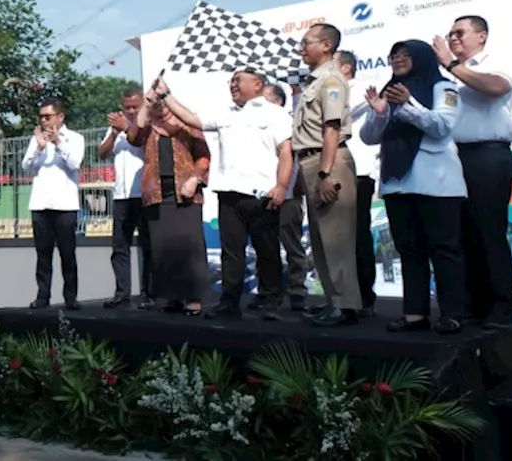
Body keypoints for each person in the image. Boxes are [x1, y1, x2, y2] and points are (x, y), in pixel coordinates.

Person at [154, 70, 293, 322]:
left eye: (239, 81)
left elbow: (285, 151)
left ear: (258, 84)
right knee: (232, 253)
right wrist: (166, 94)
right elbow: (192, 119)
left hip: (262, 193)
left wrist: (282, 185)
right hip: (229, 192)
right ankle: (229, 302)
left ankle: (271, 301)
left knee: (267, 249)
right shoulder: (225, 111)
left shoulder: (274, 112)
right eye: (232, 81)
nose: (233, 85)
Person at [358, 40, 467, 335]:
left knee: (444, 250)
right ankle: (414, 314)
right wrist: (381, 113)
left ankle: (453, 313)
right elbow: (368, 137)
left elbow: (442, 126)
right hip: (397, 184)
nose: (398, 60)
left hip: (437, 183)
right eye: (394, 55)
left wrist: (408, 105)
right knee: (409, 250)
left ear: (421, 58)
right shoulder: (388, 91)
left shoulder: (444, 88)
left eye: (405, 55)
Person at [434, 15, 512, 330]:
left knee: (488, 231)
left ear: (481, 36)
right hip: (452, 157)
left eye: (460, 32)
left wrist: (452, 66)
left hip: (487, 155)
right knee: (460, 233)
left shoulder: (496, 61)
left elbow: (495, 87)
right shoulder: (449, 75)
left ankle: (501, 306)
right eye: (450, 33)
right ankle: (472, 303)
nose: (453, 38)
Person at [292, 23, 362, 327]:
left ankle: (346, 305)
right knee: (321, 238)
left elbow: (331, 129)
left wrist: (324, 173)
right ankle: (333, 300)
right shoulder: (313, 81)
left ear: (327, 46)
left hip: (327, 160)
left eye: (307, 42)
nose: (301, 48)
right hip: (310, 161)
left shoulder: (331, 79)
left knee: (336, 237)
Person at [126, 91, 211, 316]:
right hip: (156, 194)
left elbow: (203, 156)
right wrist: (145, 103)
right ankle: (171, 297)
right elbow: (132, 137)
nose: (158, 107)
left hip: (185, 193)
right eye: (154, 104)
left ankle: (193, 298)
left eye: (160, 103)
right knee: (163, 248)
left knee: (189, 246)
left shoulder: (187, 125)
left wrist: (195, 179)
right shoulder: (148, 129)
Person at [22, 99, 85, 310]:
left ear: (60, 117)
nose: (43, 120)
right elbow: (25, 167)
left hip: (65, 205)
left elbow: (75, 163)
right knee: (43, 255)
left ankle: (70, 297)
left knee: (68, 254)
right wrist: (39, 149)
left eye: (47, 116)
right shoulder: (36, 140)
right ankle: (42, 295)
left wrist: (59, 143)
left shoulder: (75, 138)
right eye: (41, 116)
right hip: (40, 205)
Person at [98, 86, 154, 310]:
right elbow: (102, 153)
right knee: (120, 246)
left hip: (144, 193)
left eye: (135, 107)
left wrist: (128, 126)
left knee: (147, 245)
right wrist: (114, 132)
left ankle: (149, 293)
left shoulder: (148, 123)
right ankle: (122, 292)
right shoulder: (117, 127)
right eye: (127, 107)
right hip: (121, 195)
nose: (131, 111)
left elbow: (145, 145)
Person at [336, 50, 380, 316]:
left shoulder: (363, 88)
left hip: (357, 171)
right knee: (334, 238)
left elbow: (337, 117)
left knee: (357, 235)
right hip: (328, 171)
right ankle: (340, 298)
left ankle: (364, 296)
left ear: (346, 68)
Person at [262, 83, 311, 312]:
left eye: (265, 99)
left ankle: (297, 291)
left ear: (279, 102)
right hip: (262, 192)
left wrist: (288, 186)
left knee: (292, 244)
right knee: (265, 246)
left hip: (289, 192)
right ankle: (268, 293)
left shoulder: (291, 122)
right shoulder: (256, 123)